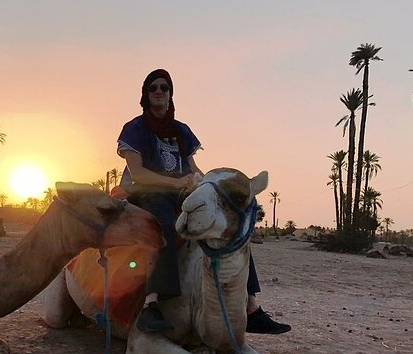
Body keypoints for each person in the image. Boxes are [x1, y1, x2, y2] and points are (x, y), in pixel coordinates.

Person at [117, 68, 290, 335]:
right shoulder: (135, 129)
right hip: (147, 193)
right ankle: (151, 305)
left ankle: (251, 306)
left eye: (165, 87)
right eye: (154, 88)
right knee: (164, 225)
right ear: (146, 94)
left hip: (181, 191)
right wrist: (175, 182)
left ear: (171, 93)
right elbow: (138, 174)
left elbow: (192, 167)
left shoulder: (181, 131)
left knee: (233, 223)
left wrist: (206, 185)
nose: (160, 92)